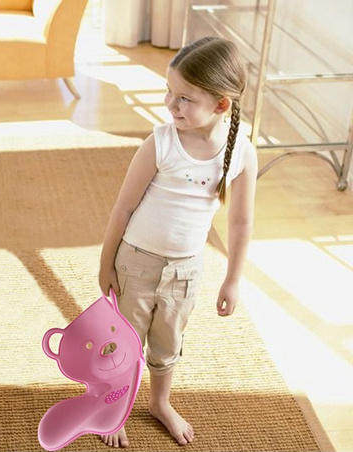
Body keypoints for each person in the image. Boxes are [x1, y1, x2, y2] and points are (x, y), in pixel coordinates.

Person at [98, 36, 258, 448]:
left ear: (221, 105)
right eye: (170, 91)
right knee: (125, 343)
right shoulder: (161, 142)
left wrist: (233, 280)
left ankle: (159, 402)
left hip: (185, 271)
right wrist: (106, 262)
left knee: (168, 344)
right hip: (136, 263)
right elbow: (123, 207)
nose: (171, 104)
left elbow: (241, 222)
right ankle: (114, 407)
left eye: (185, 98)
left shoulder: (241, 153)